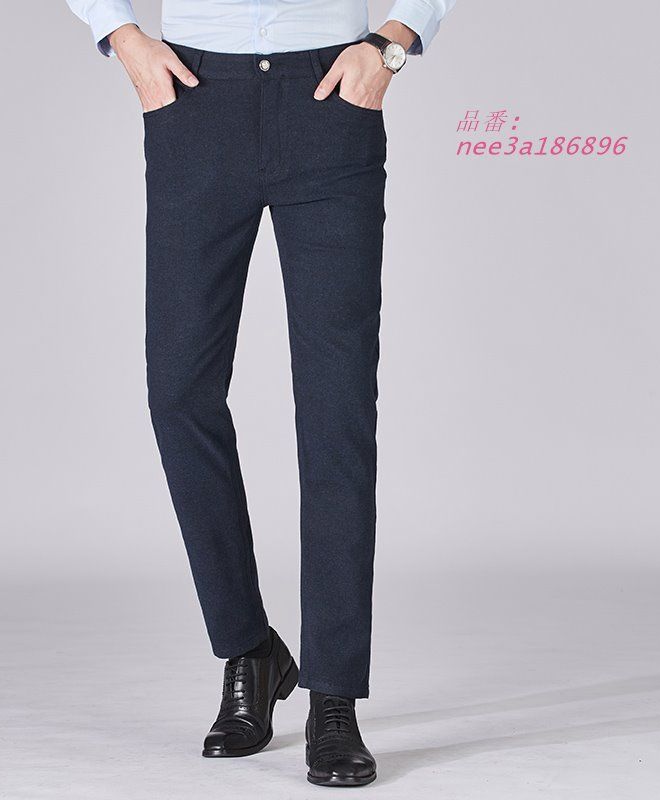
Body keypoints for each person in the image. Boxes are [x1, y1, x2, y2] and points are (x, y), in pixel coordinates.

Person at [66, 0, 455, 787]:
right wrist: (120, 36)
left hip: (330, 95)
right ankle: (249, 647)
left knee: (338, 408)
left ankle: (334, 694)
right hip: (195, 98)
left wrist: (394, 42)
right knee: (179, 391)